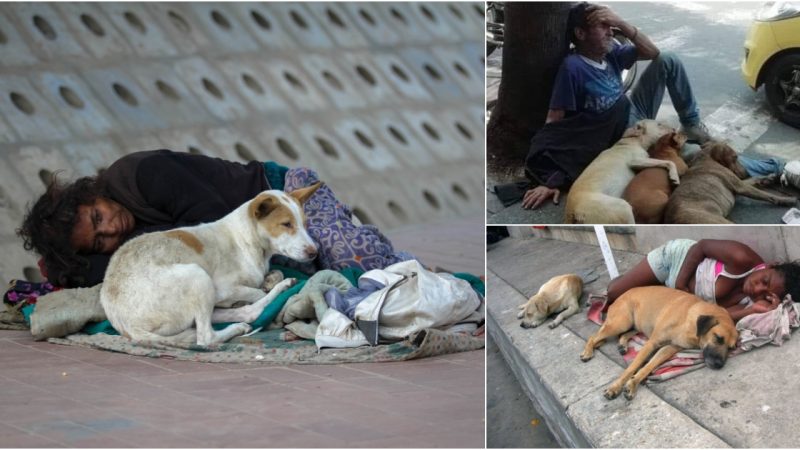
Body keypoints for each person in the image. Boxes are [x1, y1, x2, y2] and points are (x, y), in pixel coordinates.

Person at [521, 2, 790, 210]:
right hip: (624, 134)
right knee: (702, 155)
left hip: (632, 111)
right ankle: (778, 167)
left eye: (609, 26)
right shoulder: (573, 68)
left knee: (669, 60)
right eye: (602, 26)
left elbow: (653, 53)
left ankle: (692, 123)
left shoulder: (611, 52)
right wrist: (550, 178)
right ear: (580, 33)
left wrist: (621, 23)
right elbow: (554, 124)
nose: (610, 31)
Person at [17, 149, 413, 288]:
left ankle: (393, 255)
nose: (112, 230)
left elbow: (211, 229)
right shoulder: (126, 236)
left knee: (356, 263)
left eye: (98, 217)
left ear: (91, 194)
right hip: (254, 245)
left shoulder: (142, 176)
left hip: (281, 199)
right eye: (100, 241)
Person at [604, 238, 800, 322]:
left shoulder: (754, 301)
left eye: (766, 294)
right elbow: (702, 246)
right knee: (613, 293)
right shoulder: (742, 258)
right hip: (674, 261)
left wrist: (751, 310)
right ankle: (633, 276)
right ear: (770, 265)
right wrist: (680, 284)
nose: (757, 290)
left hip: (676, 293)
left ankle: (648, 281)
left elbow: (716, 315)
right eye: (764, 281)